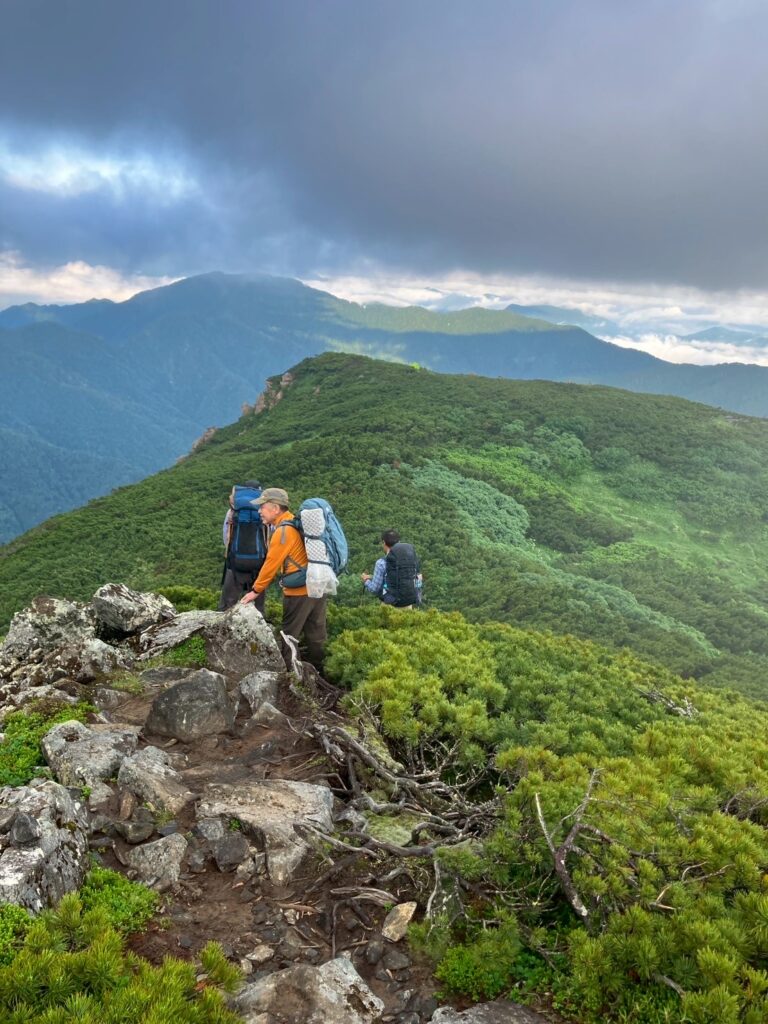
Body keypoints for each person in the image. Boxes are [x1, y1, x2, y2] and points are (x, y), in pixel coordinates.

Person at [240, 487, 327, 672]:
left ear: (275, 508)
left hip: (298, 593)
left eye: (262, 507)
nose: (259, 511)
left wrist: (255, 591)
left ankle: (291, 677)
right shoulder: (296, 523)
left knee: (289, 636)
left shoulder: (283, 531)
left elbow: (270, 564)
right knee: (316, 635)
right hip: (317, 586)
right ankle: (321, 672)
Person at [218, 481, 268, 612]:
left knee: (227, 604)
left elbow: (226, 537)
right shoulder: (264, 512)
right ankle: (259, 625)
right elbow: (270, 537)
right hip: (259, 565)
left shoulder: (233, 512)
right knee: (258, 605)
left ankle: (224, 628)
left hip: (235, 564)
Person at [362, 530, 422, 608]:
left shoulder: (381, 563)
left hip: (389, 606)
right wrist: (372, 576)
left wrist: (365, 580)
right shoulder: (410, 559)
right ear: (399, 542)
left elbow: (375, 589)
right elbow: (399, 577)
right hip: (407, 604)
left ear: (383, 542)